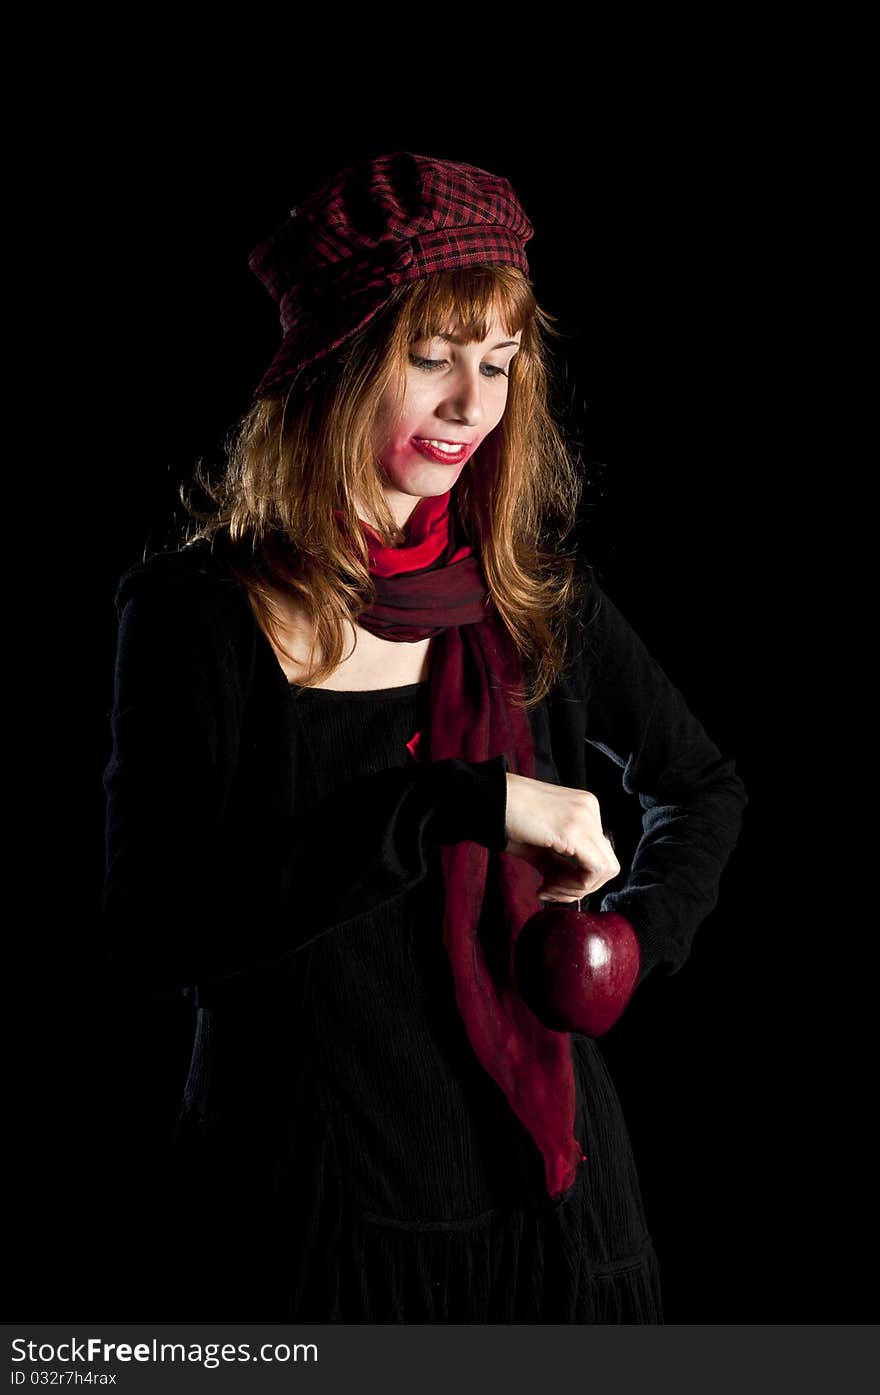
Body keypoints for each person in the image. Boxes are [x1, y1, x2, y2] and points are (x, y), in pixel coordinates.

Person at [101, 151, 748, 1323]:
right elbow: (155, 931)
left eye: (497, 365)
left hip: (560, 1220)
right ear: (333, 360)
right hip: (318, 1230)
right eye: (430, 358)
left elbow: (700, 789)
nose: (469, 406)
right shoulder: (200, 613)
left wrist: (627, 951)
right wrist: (458, 800)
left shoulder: (529, 595)